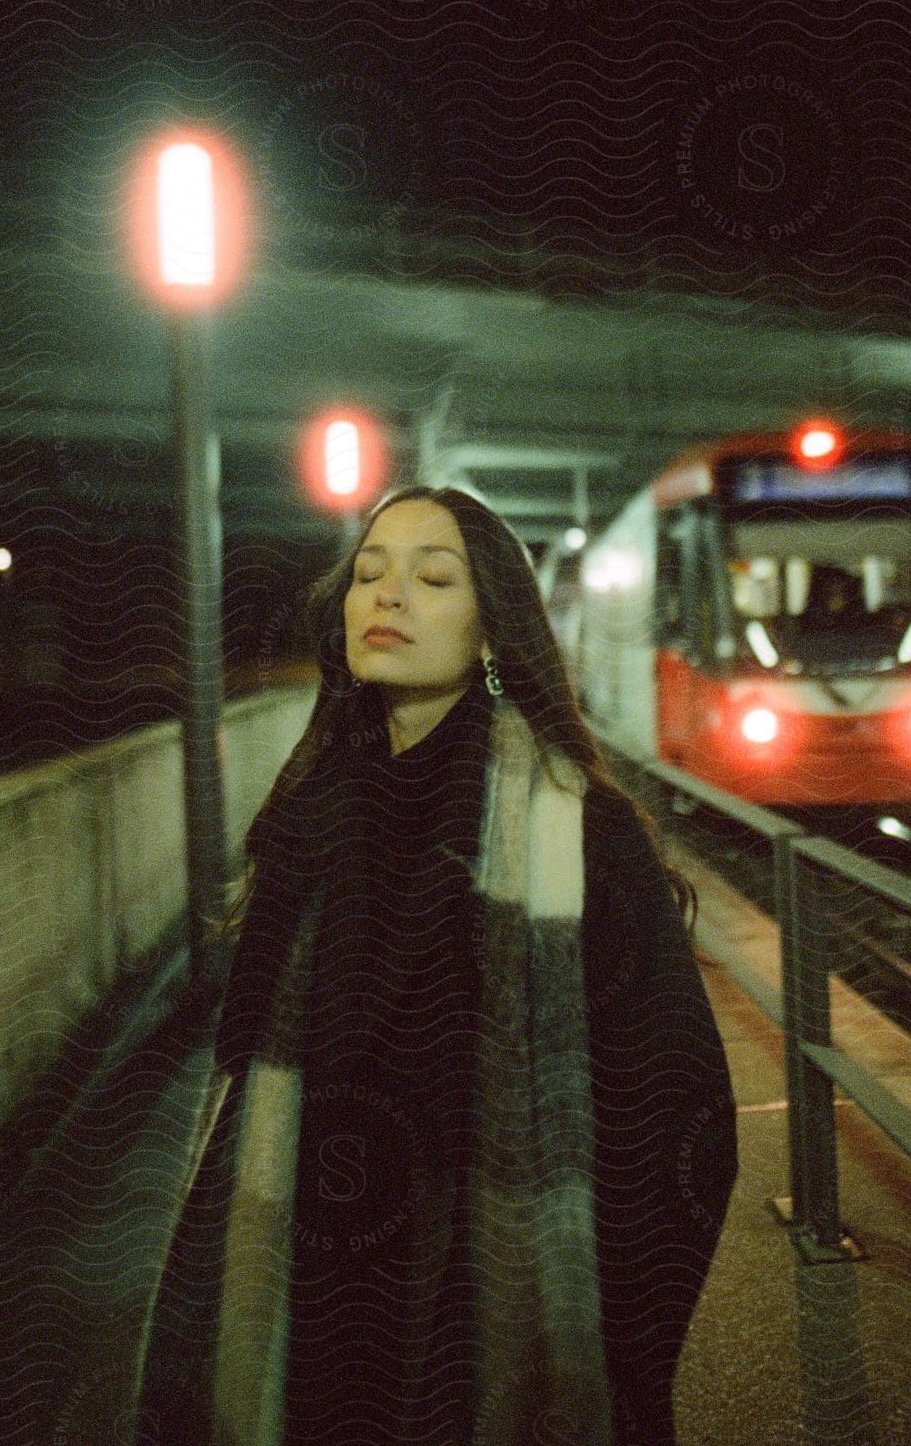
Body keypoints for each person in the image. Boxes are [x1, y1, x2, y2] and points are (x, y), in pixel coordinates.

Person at [133, 487, 738, 1446]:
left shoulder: (580, 833)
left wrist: (598, 1345)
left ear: (493, 630)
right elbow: (244, 1085)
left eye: (433, 576)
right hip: (316, 1314)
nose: (390, 595)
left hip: (478, 1321)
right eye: (368, 573)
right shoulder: (305, 825)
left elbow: (680, 1114)